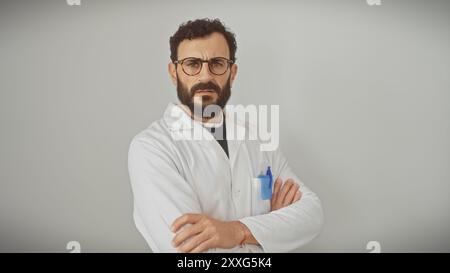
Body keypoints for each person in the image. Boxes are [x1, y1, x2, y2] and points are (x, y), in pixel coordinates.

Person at [128, 18, 324, 253]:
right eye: (192, 64)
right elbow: (192, 255)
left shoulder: (257, 136)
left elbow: (312, 213)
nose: (205, 76)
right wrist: (269, 232)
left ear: (232, 72)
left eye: (217, 63)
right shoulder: (151, 149)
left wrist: (236, 231)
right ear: (174, 72)